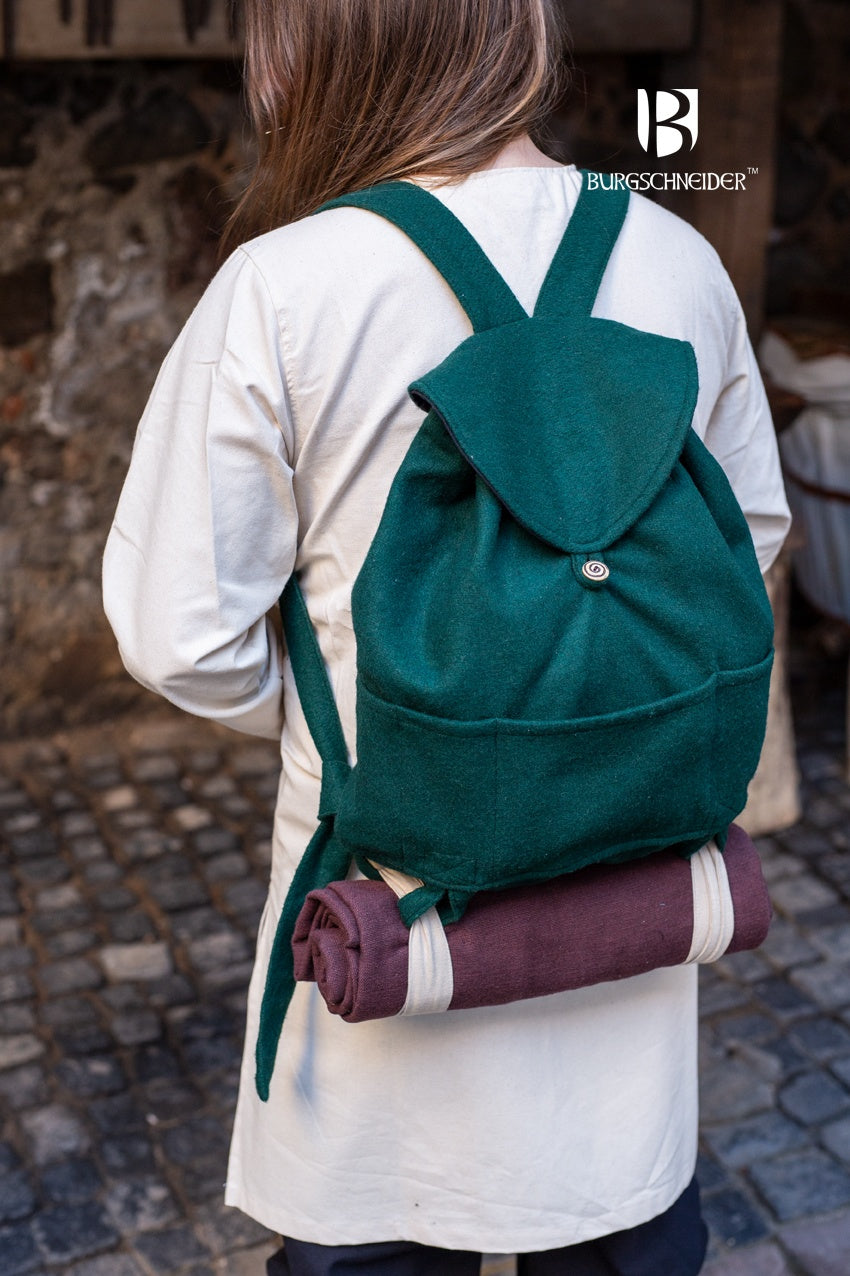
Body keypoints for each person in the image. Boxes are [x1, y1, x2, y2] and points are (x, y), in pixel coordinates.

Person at [102, 2, 791, 1273]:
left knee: (374, 1233)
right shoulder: (674, 255)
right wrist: (589, 699)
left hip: (389, 915)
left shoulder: (288, 284)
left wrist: (388, 717)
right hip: (624, 915)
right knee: (617, 1225)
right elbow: (742, 537)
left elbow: (178, 634)